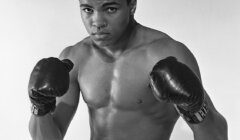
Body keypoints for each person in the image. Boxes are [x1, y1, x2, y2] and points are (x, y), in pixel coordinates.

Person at [28, 0, 228, 140]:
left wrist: (194, 107)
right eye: (88, 9)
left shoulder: (167, 53)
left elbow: (217, 135)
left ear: (132, 5)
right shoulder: (74, 57)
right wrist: (40, 108)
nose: (97, 22)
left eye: (111, 9)